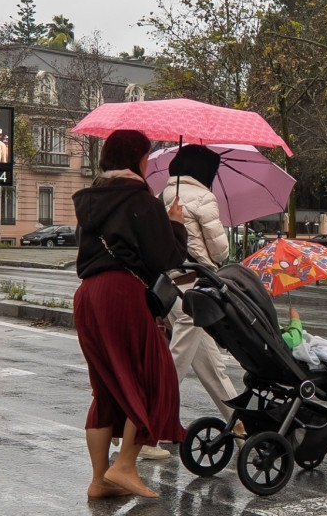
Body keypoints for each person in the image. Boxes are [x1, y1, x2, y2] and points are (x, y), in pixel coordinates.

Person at [72, 129, 188, 499]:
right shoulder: (141, 200)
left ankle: (99, 480)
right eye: (147, 156)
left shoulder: (91, 199)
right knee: (156, 378)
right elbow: (166, 259)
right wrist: (176, 225)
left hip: (88, 294)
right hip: (122, 293)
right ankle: (123, 466)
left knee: (106, 386)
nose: (148, 163)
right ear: (137, 158)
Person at [148, 144, 241, 460]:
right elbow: (220, 253)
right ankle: (143, 429)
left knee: (209, 362)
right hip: (197, 284)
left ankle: (238, 423)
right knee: (176, 362)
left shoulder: (165, 196)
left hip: (174, 281)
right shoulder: (204, 197)